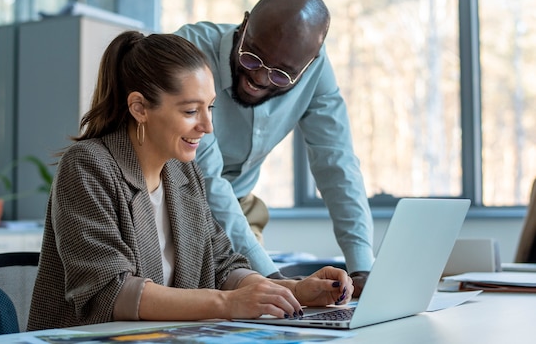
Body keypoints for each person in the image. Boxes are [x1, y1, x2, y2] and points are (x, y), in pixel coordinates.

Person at [26, 31, 353, 331]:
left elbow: (222, 265)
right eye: (190, 111)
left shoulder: (183, 174)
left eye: (209, 108)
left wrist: (293, 290)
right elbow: (110, 292)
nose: (208, 126)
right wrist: (229, 304)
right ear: (140, 108)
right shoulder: (87, 167)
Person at [174, 0, 374, 296]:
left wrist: (363, 266)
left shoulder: (315, 71)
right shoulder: (190, 52)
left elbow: (337, 163)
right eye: (252, 58)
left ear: (308, 66)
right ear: (244, 26)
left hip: (240, 210)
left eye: (281, 75)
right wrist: (274, 280)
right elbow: (206, 178)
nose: (259, 79)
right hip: (175, 207)